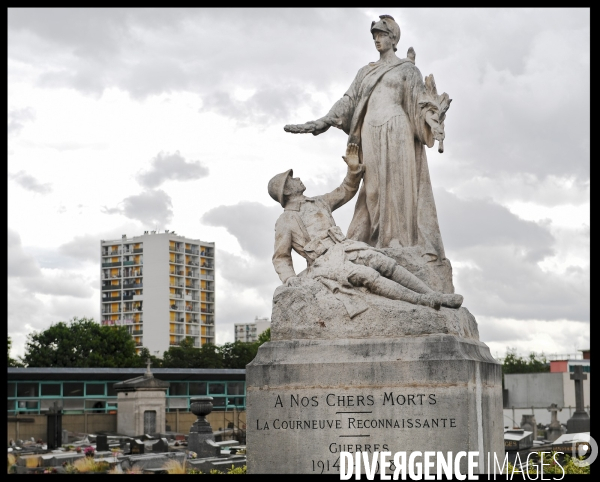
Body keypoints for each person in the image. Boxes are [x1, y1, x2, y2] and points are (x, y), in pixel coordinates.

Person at [284, 15, 451, 264]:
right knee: (373, 189)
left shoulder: (407, 69)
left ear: (394, 38)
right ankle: (376, 240)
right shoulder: (366, 72)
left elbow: (419, 104)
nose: (377, 39)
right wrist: (326, 120)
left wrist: (432, 118)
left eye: (382, 34)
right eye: (374, 35)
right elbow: (349, 100)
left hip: (397, 129)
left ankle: (399, 242)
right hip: (369, 134)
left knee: (397, 185)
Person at [269, 144, 462, 317]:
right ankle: (422, 301)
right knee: (367, 276)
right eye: (292, 180)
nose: (298, 179)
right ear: (286, 191)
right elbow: (281, 257)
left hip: (345, 248)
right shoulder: (285, 221)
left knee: (383, 262)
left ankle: (434, 295)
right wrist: (290, 279)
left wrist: (353, 170)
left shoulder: (319, 202)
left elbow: (345, 190)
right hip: (324, 263)